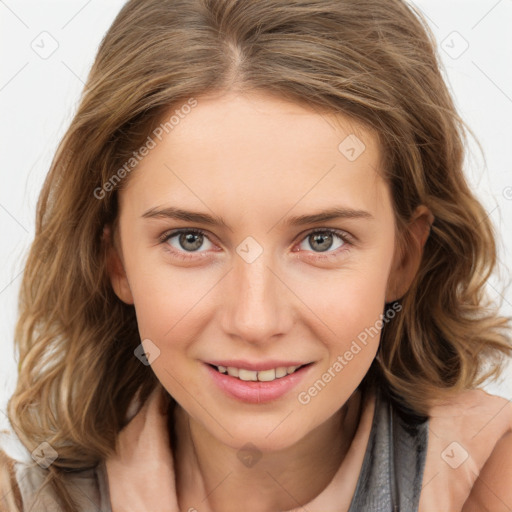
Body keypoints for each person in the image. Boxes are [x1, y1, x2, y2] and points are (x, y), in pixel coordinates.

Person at [1, 0, 511, 510]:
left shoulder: (490, 476)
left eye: (321, 240)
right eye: (190, 240)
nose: (254, 320)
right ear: (115, 260)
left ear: (403, 257)